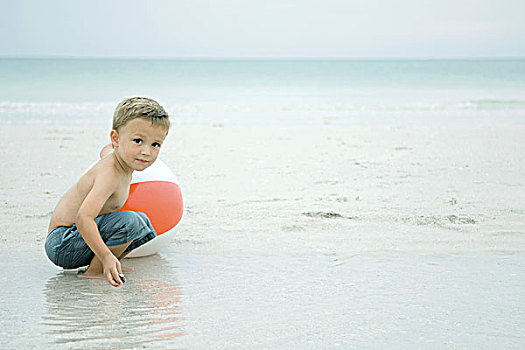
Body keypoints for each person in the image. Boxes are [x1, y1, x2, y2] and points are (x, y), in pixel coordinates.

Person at [45, 97, 170, 287]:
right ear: (116, 138)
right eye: (138, 141)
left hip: (75, 239)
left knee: (143, 223)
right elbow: (83, 218)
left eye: (155, 145)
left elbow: (105, 150)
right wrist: (106, 256)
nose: (147, 152)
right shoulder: (110, 175)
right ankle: (96, 271)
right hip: (63, 242)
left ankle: (108, 263)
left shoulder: (116, 155)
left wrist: (116, 147)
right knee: (130, 222)